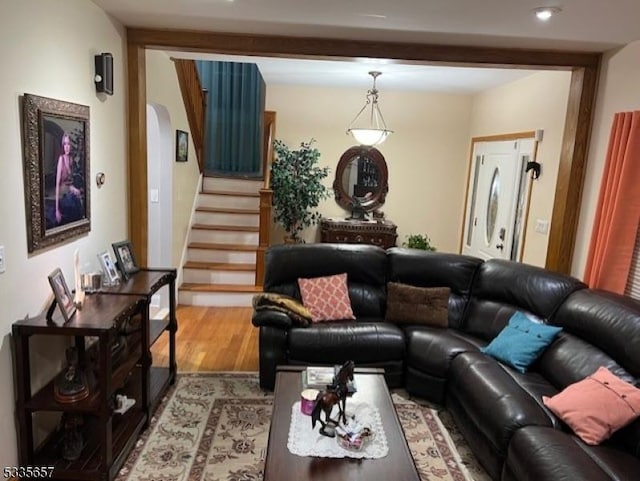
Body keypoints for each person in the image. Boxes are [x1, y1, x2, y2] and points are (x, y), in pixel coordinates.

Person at [55, 133, 83, 225]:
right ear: (63, 146)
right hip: (63, 196)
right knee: (73, 203)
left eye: (68, 144)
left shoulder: (71, 159)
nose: (66, 147)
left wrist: (74, 189)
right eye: (65, 144)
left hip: (69, 194)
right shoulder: (61, 159)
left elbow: (70, 182)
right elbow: (58, 185)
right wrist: (56, 210)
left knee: (78, 203)